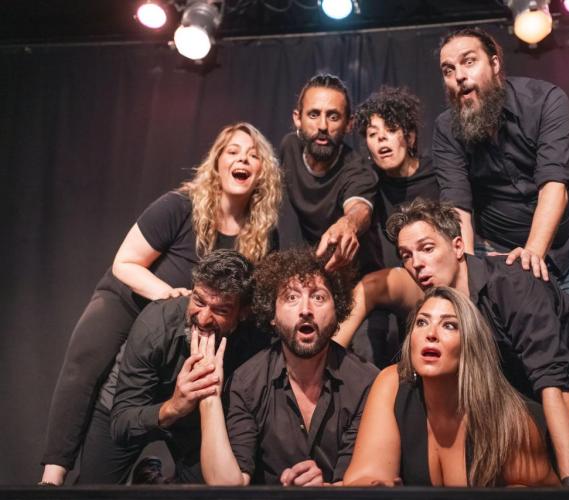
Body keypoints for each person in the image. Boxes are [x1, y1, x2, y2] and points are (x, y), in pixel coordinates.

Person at [339, 198, 569, 487]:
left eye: (427, 248)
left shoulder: (511, 285)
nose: (417, 263)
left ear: (458, 246)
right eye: (406, 255)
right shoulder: (448, 307)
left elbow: (554, 384)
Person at [40, 122, 281, 485]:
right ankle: (51, 477)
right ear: (217, 162)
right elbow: (125, 263)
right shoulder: (179, 206)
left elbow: (253, 301)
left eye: (253, 155)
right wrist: (169, 295)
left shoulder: (263, 232)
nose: (242, 159)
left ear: (263, 171)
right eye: (233, 151)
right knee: (83, 366)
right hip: (134, 298)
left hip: (189, 324)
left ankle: (156, 478)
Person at [344, 286, 559, 487]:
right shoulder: (392, 384)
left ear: (470, 345)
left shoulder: (511, 421)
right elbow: (366, 477)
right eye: (422, 322)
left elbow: (542, 494)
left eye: (449, 325)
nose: (431, 334)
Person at [433, 27, 569, 302]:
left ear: (494, 64)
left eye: (469, 61)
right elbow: (458, 208)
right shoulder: (446, 129)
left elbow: (554, 186)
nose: (459, 76)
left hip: (563, 251)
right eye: (448, 70)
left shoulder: (545, 101)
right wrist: (467, 276)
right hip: (497, 252)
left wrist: (531, 256)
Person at [198, 248, 379, 486]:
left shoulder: (366, 383)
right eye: (291, 298)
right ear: (272, 314)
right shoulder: (246, 383)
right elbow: (226, 485)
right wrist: (209, 398)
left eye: (318, 297)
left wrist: (324, 491)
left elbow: (362, 483)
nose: (305, 310)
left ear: (337, 311)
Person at [97, 249, 268, 483]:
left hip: (199, 425)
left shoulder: (256, 341)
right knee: (93, 490)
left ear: (242, 313)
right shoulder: (155, 325)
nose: (203, 319)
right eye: (198, 301)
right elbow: (121, 424)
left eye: (221, 310)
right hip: (137, 406)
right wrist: (174, 407)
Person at [277, 73, 379, 274]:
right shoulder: (289, 147)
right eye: (314, 115)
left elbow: (360, 209)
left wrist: (348, 224)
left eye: (333, 117)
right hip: (308, 270)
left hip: (355, 275)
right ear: (297, 118)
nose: (323, 126)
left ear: (349, 123)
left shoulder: (358, 169)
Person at [354, 86, 440, 268]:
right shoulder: (370, 182)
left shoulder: (438, 173)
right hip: (402, 272)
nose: (381, 138)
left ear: (410, 138)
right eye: (372, 134)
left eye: (391, 129)